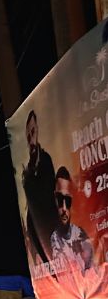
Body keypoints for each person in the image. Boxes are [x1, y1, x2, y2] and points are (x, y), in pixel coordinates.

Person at [22, 110, 58, 263]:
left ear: (37, 131)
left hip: (48, 229)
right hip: (36, 235)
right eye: (28, 134)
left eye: (33, 131)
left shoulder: (45, 160)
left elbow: (46, 193)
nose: (31, 137)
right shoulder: (28, 166)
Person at [50, 167, 95, 273]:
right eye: (60, 199)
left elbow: (92, 272)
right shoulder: (51, 240)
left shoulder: (80, 234)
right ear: (54, 199)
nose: (64, 208)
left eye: (68, 200)